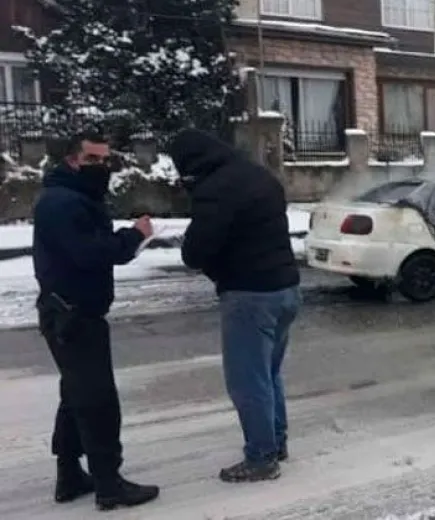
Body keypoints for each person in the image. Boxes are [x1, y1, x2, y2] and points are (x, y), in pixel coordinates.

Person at [32, 132, 160, 510]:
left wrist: (124, 243)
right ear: (72, 160)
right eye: (93, 160)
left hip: (69, 312)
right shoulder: (63, 203)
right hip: (73, 315)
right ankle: (109, 485)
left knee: (75, 395)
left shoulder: (71, 197)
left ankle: (70, 475)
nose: (102, 167)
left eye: (106, 160)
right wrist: (131, 237)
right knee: (98, 400)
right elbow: (90, 252)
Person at [167, 129, 301, 483]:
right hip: (286, 288)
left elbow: (195, 252)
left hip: (249, 294)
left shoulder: (216, 189)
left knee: (247, 382)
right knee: (268, 374)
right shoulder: (257, 175)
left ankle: (261, 458)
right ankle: (275, 442)